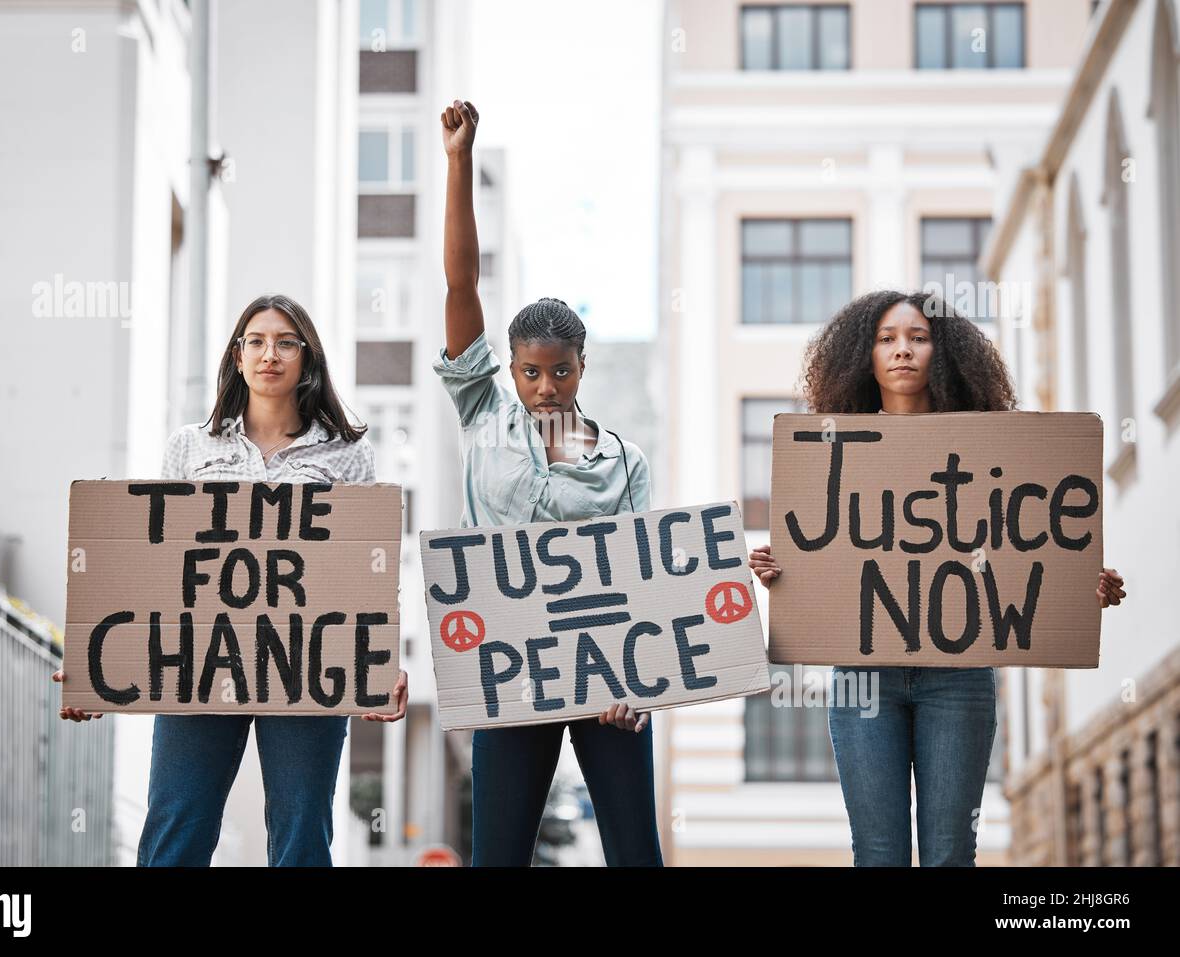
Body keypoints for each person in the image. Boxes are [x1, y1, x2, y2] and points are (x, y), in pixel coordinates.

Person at [748, 289, 1127, 866]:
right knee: (878, 854)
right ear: (864, 356)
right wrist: (788, 571)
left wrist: (1076, 580)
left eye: (918, 338)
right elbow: (831, 550)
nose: (902, 350)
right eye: (887, 339)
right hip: (864, 677)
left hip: (960, 676)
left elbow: (1028, 539)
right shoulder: (829, 451)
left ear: (943, 353)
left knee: (950, 853)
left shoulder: (994, 449)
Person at [53, 293, 408, 867]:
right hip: (199, 661)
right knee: (176, 828)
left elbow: (366, 566)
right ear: (238, 356)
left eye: (286, 343)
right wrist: (99, 669)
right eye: (257, 342)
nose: (271, 354)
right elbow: (157, 566)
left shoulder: (347, 454)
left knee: (301, 835)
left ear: (307, 358)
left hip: (305, 665)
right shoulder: (191, 446)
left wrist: (380, 660)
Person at [436, 99, 661, 866]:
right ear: (510, 367)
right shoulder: (483, 415)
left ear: (582, 366)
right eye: (530, 371)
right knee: (497, 854)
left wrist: (638, 681)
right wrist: (460, 162)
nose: (544, 387)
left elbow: (642, 576)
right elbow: (460, 285)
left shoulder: (624, 462)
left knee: (636, 853)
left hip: (608, 674)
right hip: (512, 664)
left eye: (560, 371)